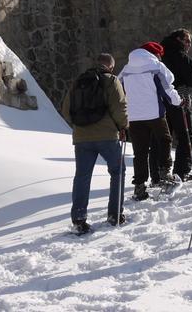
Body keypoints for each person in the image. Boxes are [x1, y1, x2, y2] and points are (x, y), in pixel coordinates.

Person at [59, 53, 129, 235]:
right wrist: (123, 127)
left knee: (82, 176)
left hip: (82, 138)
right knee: (117, 171)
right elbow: (120, 107)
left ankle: (79, 220)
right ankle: (115, 214)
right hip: (107, 136)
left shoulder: (78, 82)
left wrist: (80, 125)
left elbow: (66, 110)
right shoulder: (112, 81)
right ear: (111, 67)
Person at [119, 41, 181, 201]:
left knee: (140, 152)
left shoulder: (126, 69)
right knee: (165, 140)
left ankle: (139, 186)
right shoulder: (156, 66)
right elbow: (168, 88)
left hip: (134, 117)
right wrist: (178, 101)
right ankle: (165, 172)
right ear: (155, 53)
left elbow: (119, 89)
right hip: (154, 113)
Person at [160, 28, 192, 181]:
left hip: (162, 100)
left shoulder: (160, 56)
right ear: (179, 40)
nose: (189, 44)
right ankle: (181, 172)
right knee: (186, 136)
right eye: (187, 40)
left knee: (164, 137)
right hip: (181, 100)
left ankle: (160, 173)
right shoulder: (181, 57)